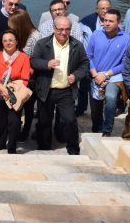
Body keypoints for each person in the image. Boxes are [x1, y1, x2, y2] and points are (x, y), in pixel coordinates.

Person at [31, 16, 89, 155]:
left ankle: (73, 149)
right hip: (46, 90)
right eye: (60, 29)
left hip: (66, 91)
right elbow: (33, 61)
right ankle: (44, 148)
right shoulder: (42, 43)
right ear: (54, 29)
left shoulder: (77, 45)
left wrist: (76, 76)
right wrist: (46, 64)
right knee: (44, 122)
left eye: (67, 29)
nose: (64, 32)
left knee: (70, 120)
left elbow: (85, 64)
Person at [86, 9, 130, 136]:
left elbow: (125, 63)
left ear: (118, 22)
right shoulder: (96, 34)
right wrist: (95, 74)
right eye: (105, 20)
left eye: (111, 21)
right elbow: (88, 56)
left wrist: (106, 74)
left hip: (114, 76)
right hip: (95, 74)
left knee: (110, 99)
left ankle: (107, 129)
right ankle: (96, 127)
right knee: (96, 106)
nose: (107, 24)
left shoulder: (126, 38)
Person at [0, 30, 31, 154]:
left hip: (15, 95)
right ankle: (0, 146)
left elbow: (25, 79)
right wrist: (3, 89)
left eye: (11, 40)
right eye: (5, 41)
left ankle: (12, 148)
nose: (8, 43)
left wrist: (11, 91)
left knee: (14, 122)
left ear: (16, 41)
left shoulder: (23, 57)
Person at [8, 9, 40, 142]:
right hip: (19, 76)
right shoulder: (23, 35)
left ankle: (26, 130)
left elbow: (35, 59)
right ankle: (18, 128)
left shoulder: (35, 37)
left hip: (31, 78)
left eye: (13, 26)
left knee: (28, 106)